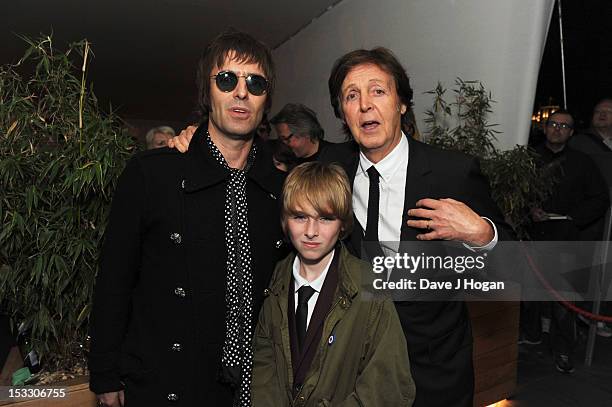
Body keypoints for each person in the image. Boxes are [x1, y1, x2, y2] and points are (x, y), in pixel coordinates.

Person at [88, 30, 286, 407]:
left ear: (266, 100)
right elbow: (114, 279)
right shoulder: (152, 175)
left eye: (255, 83)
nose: (241, 93)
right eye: (227, 79)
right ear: (206, 92)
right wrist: (105, 372)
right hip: (169, 379)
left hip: (255, 386)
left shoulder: (280, 189)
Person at [320, 47, 507, 407]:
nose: (365, 105)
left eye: (378, 91)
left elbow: (509, 263)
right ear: (342, 112)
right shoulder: (330, 167)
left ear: (402, 103)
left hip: (433, 371)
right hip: (354, 371)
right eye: (351, 95)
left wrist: (482, 234)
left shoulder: (453, 172)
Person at [252, 162, 415, 406]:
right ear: (285, 221)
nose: (311, 231)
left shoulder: (370, 286)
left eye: (325, 218)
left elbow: (387, 385)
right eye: (300, 216)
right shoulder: (274, 280)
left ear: (342, 225)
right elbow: (263, 364)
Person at [527, 110, 610, 373]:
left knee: (563, 299)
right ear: (545, 127)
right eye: (553, 124)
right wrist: (528, 210)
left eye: (564, 126)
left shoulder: (582, 162)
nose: (557, 129)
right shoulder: (528, 158)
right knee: (528, 293)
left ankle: (563, 350)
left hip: (566, 239)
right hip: (532, 238)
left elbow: (600, 198)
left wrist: (574, 218)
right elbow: (514, 193)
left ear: (572, 132)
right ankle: (530, 337)